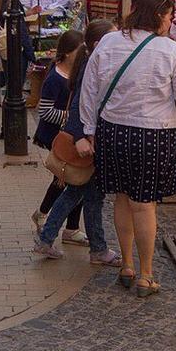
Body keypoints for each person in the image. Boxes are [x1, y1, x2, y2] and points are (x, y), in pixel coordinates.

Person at [74, 0, 176, 296]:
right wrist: (173, 108)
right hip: (152, 133)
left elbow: (90, 89)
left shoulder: (110, 42)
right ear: (158, 17)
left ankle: (126, 265)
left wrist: (89, 130)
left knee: (123, 199)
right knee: (144, 204)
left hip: (112, 131)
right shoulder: (170, 50)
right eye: (169, 16)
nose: (171, 21)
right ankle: (146, 274)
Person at [32, 20, 121, 265]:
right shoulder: (90, 68)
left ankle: (93, 248)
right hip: (88, 141)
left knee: (88, 195)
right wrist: (81, 136)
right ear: (98, 43)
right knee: (80, 193)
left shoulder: (90, 64)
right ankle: (57, 240)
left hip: (90, 139)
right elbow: (80, 105)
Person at [31, 30, 87, 239]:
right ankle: (45, 215)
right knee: (66, 177)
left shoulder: (74, 73)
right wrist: (71, 116)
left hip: (66, 134)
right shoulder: (55, 78)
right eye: (79, 50)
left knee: (73, 179)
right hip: (56, 135)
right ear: (67, 52)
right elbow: (44, 111)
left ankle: (69, 226)